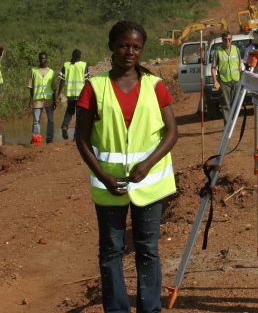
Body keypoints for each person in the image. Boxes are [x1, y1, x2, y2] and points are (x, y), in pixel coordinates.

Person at [75, 20, 178, 313]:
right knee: (111, 252)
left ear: (142, 50)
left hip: (149, 185)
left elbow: (171, 133)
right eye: (123, 45)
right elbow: (81, 139)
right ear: (112, 47)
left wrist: (147, 164)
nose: (129, 52)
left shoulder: (154, 86)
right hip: (109, 187)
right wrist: (102, 175)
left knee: (147, 250)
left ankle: (150, 309)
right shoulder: (94, 89)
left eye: (135, 47)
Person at [56, 49, 90, 140]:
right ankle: (76, 137)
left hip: (70, 94)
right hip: (81, 94)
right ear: (80, 56)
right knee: (79, 115)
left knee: (69, 112)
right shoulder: (84, 65)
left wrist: (59, 93)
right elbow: (87, 81)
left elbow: (62, 80)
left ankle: (64, 126)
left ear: (72, 55)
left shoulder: (66, 65)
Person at [211, 31, 243, 121]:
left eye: (229, 39)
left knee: (236, 103)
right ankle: (228, 126)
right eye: (225, 39)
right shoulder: (218, 51)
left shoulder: (236, 49)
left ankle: (232, 122)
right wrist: (215, 81)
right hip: (224, 82)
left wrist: (242, 78)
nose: (227, 41)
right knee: (225, 105)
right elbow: (213, 68)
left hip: (236, 80)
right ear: (222, 40)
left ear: (231, 39)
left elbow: (239, 65)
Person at [27, 51, 57, 143]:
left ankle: (49, 139)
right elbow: (31, 87)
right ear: (39, 59)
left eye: (44, 58)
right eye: (41, 58)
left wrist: (55, 100)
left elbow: (54, 88)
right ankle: (36, 139)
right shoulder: (33, 71)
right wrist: (31, 99)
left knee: (51, 120)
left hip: (49, 99)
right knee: (36, 120)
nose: (42, 60)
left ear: (47, 59)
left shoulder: (52, 72)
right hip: (37, 99)